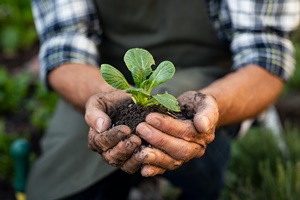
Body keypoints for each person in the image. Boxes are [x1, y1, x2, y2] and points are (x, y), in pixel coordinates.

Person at [27, 0, 300, 200]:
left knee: (201, 163)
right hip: (100, 82)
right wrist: (103, 101)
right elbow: (64, 47)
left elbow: (264, 57)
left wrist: (213, 105)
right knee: (62, 183)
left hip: (215, 79)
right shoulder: (106, 93)